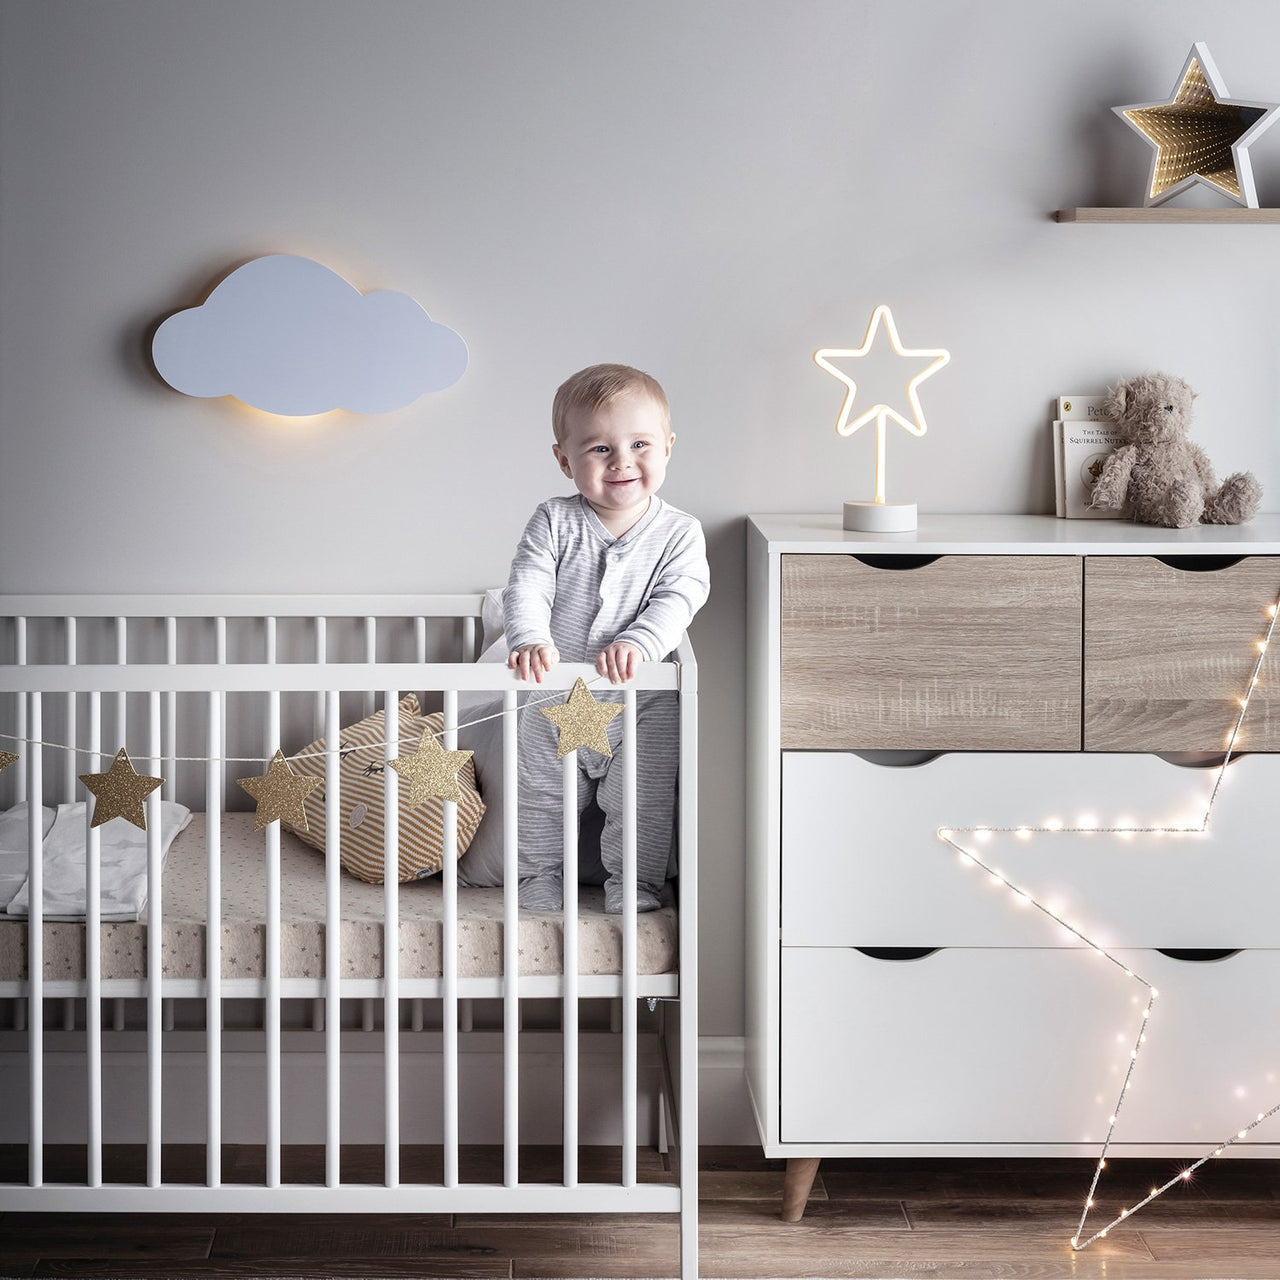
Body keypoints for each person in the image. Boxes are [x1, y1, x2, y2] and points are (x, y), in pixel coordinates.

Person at [503, 364, 710, 912]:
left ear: (667, 447)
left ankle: (635, 884)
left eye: (640, 443)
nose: (622, 462)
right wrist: (528, 637)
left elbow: (681, 597)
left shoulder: (679, 532)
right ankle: (535, 877)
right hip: (554, 694)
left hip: (643, 704)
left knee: (640, 800)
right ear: (564, 459)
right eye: (599, 449)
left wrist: (640, 642)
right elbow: (526, 583)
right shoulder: (553, 520)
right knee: (543, 796)